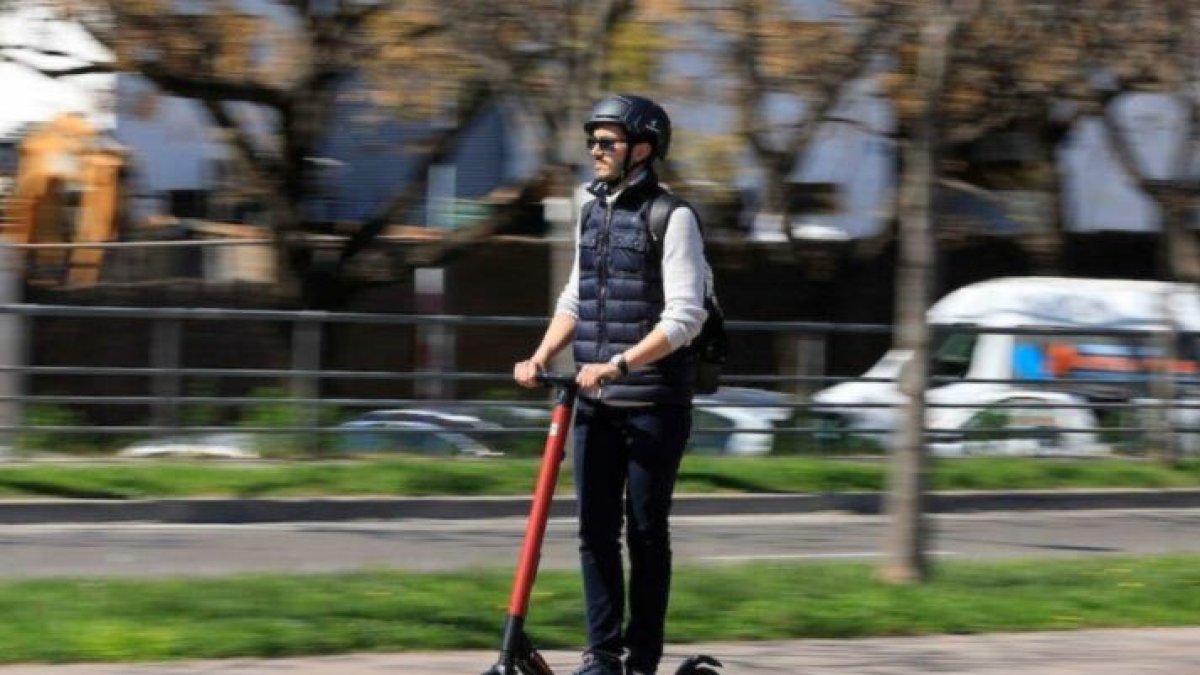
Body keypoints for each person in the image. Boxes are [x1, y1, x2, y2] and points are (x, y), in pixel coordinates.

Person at [513, 94, 711, 675]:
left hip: (654, 401)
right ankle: (601, 655)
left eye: (608, 143)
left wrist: (620, 364)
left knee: (645, 533)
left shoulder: (673, 218)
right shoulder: (591, 210)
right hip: (593, 400)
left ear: (642, 150)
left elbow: (684, 318)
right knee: (594, 531)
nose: (595, 152)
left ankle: (640, 659)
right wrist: (542, 353)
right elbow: (574, 298)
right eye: (592, 142)